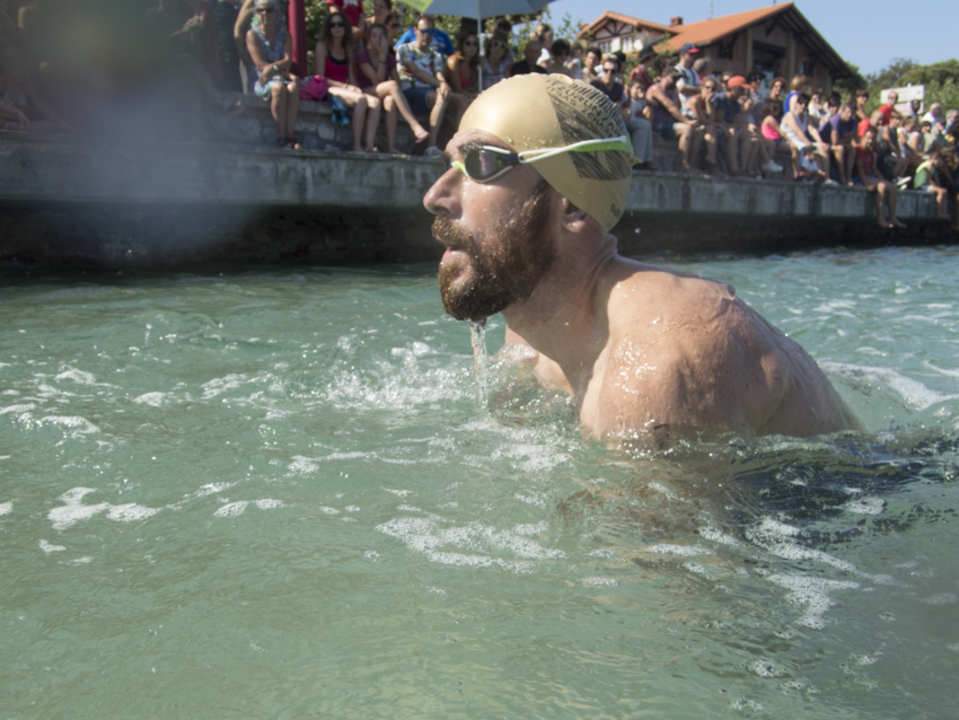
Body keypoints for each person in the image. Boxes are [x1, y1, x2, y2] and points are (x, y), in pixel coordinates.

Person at [422, 73, 862, 441]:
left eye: (480, 164)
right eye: (449, 164)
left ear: (572, 204)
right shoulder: (528, 336)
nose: (434, 196)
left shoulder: (660, 364)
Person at [357, 22, 430, 154]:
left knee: (390, 100)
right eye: (374, 36)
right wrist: (382, 56)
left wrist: (385, 56)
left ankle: (390, 146)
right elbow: (377, 80)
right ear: (368, 39)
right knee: (391, 85)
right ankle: (414, 125)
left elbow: (398, 82)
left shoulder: (390, 58)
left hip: (382, 93)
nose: (378, 39)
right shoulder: (363, 56)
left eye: (381, 36)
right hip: (365, 91)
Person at [315, 10, 381, 152]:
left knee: (375, 102)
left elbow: (351, 77)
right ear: (328, 28)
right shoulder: (322, 46)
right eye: (333, 25)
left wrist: (354, 88)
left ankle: (369, 145)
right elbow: (320, 78)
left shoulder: (348, 49)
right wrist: (344, 86)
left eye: (340, 24)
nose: (336, 27)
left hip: (345, 89)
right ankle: (356, 145)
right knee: (361, 100)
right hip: (328, 88)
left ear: (346, 28)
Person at [246, 0, 300, 148]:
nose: (265, 14)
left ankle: (290, 136)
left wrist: (273, 68)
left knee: (293, 88)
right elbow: (260, 64)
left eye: (269, 10)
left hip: (279, 77)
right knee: (278, 88)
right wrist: (284, 73)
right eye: (260, 10)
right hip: (260, 80)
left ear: (276, 13)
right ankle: (281, 137)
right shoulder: (252, 35)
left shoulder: (285, 35)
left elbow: (287, 61)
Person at [396, 15, 448, 156]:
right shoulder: (404, 49)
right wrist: (440, 84)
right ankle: (431, 146)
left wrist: (443, 84)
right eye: (423, 31)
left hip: (429, 93)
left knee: (461, 100)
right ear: (415, 30)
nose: (426, 35)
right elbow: (417, 72)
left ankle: (463, 146)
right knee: (441, 97)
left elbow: (439, 74)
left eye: (430, 31)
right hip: (409, 93)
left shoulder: (436, 56)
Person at [591, 56, 653, 170]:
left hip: (617, 118)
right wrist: (618, 111)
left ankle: (639, 161)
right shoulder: (594, 84)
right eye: (606, 70)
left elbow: (625, 105)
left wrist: (625, 110)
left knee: (644, 124)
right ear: (602, 71)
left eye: (613, 71)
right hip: (600, 120)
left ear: (617, 73)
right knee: (624, 131)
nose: (609, 73)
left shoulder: (618, 88)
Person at [647, 68, 700, 173]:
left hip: (671, 124)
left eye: (677, 79)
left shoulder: (674, 91)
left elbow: (678, 108)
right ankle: (683, 164)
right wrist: (687, 122)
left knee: (698, 131)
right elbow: (670, 107)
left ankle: (692, 164)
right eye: (673, 78)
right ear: (664, 76)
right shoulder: (656, 88)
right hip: (659, 125)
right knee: (687, 129)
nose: (675, 81)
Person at [855, 125, 906, 229]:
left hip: (869, 177)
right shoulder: (858, 149)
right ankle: (880, 219)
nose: (870, 141)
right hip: (858, 177)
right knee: (882, 186)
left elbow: (874, 168)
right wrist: (867, 184)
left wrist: (883, 179)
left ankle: (893, 218)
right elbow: (859, 169)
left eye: (873, 139)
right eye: (868, 138)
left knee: (892, 187)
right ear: (862, 138)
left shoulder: (870, 151)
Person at [442, 30, 478, 127]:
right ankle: (459, 133)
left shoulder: (474, 65)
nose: (472, 47)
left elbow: (474, 87)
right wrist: (477, 96)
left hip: (463, 96)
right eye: (468, 43)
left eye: (475, 44)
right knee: (467, 101)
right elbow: (458, 89)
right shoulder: (453, 61)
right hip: (447, 97)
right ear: (462, 45)